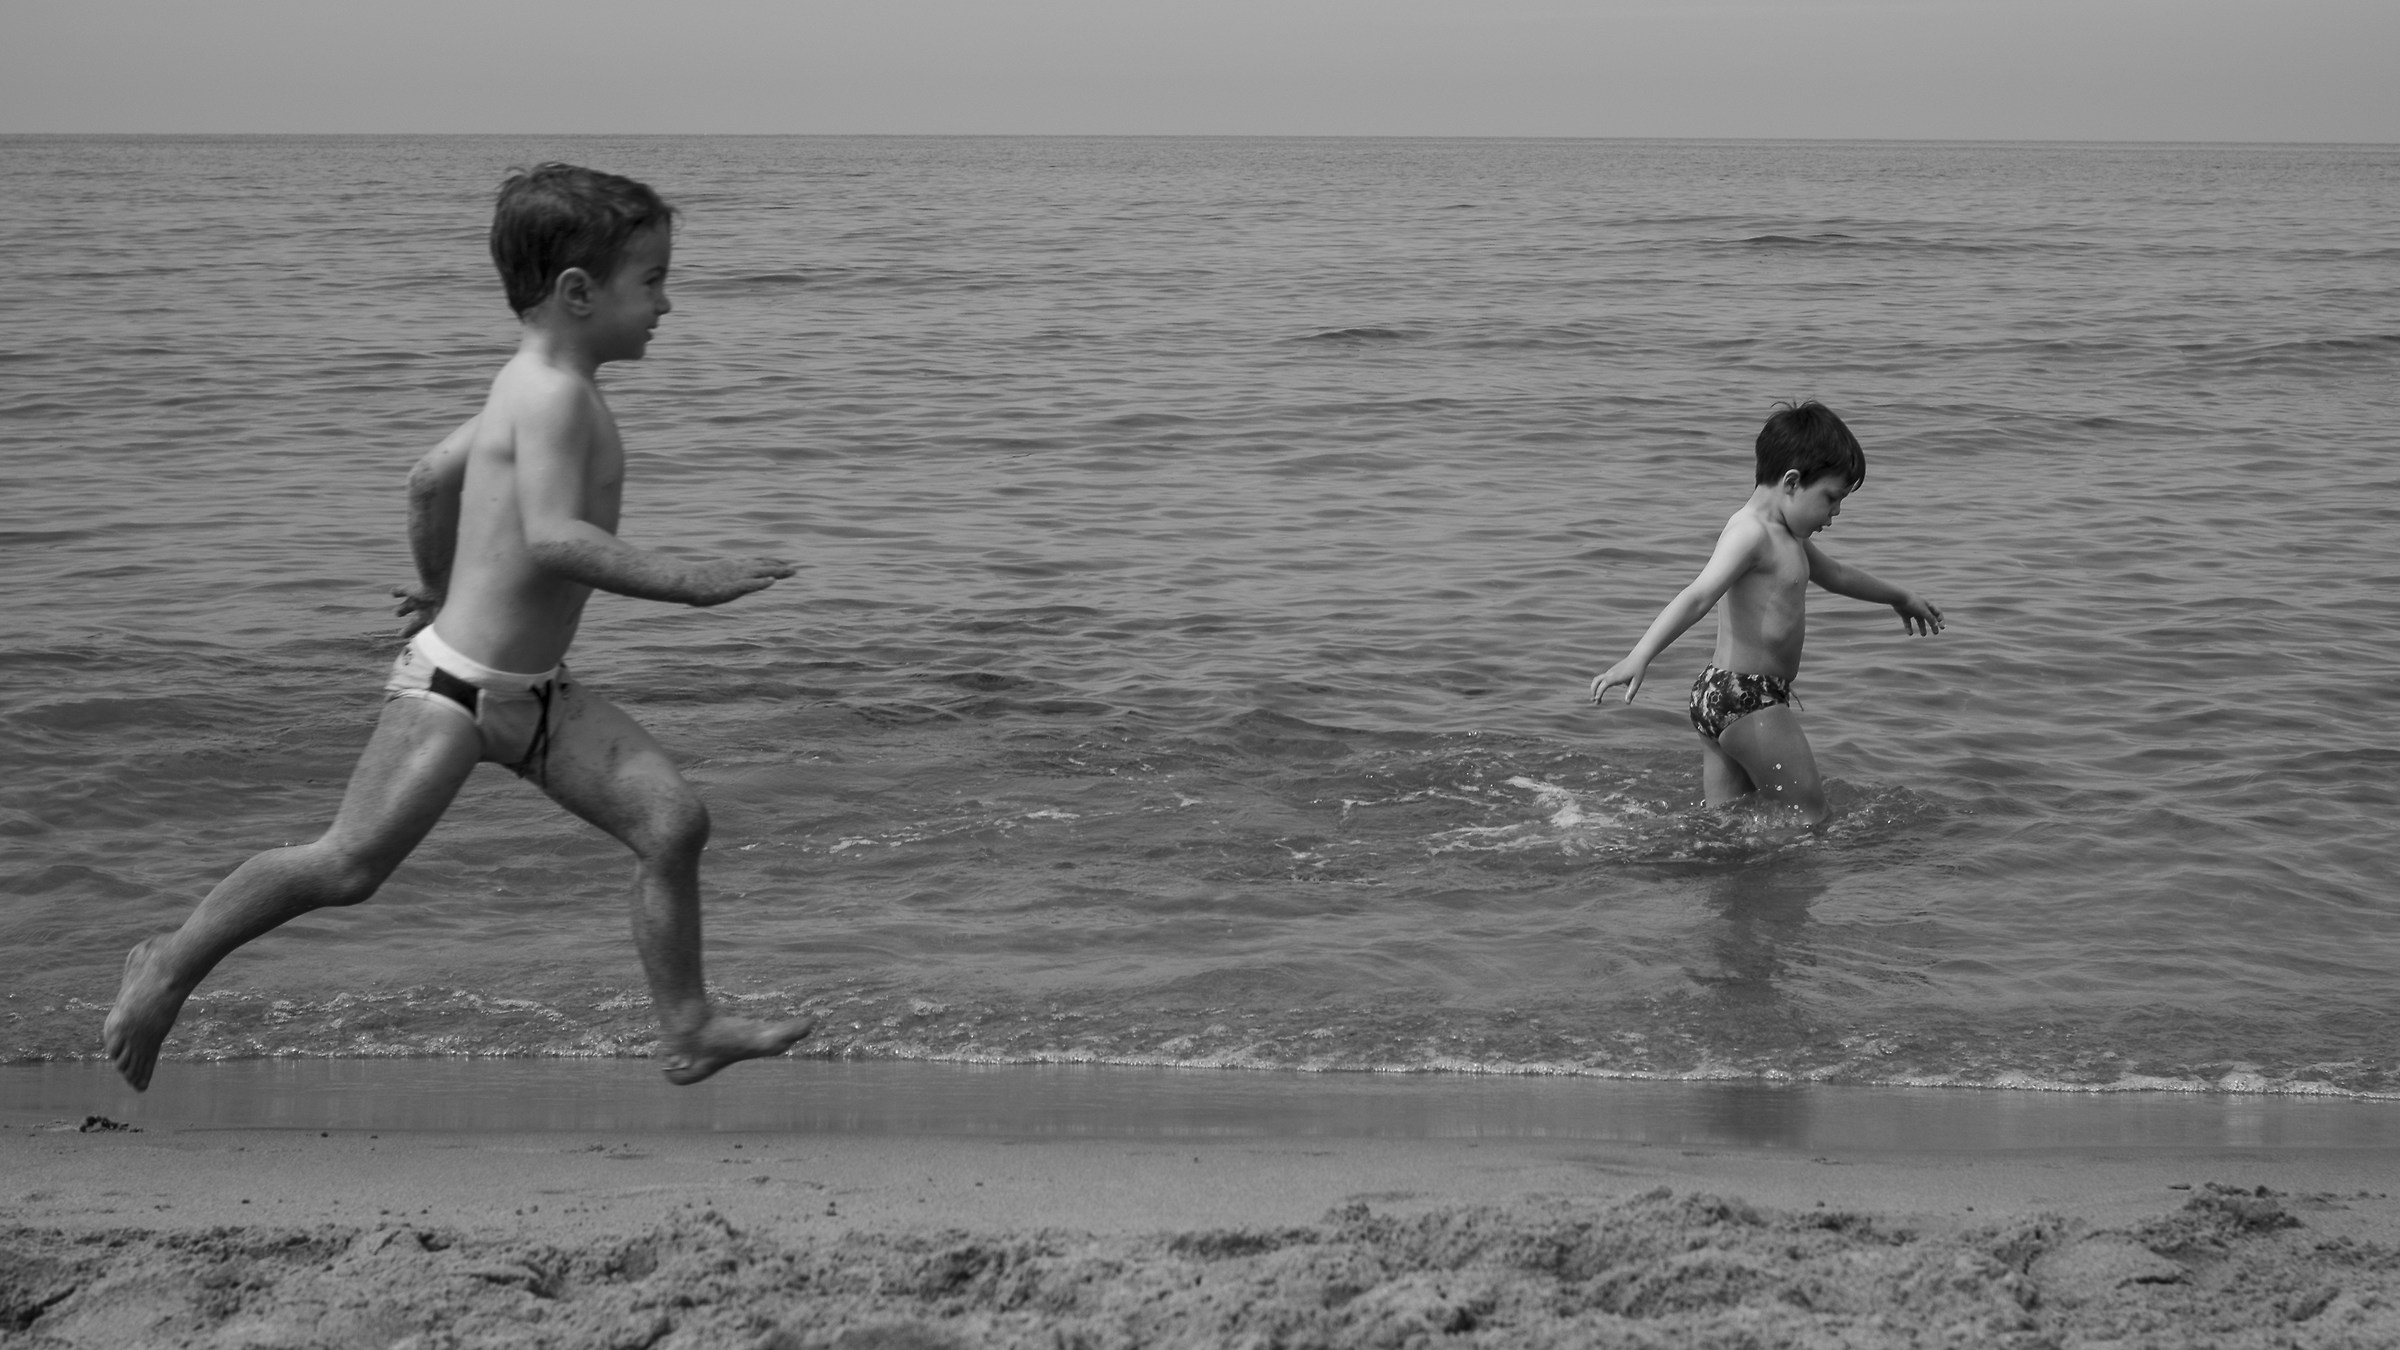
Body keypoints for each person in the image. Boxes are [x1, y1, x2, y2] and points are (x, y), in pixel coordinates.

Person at [104, 164, 815, 1090]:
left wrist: (438, 583)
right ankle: (167, 965)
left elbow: (427, 479)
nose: (667, 303)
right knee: (346, 866)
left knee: (672, 824)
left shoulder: (526, 385)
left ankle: (688, 1028)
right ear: (578, 292)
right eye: (652, 281)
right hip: (450, 691)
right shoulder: (553, 397)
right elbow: (555, 538)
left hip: (536, 694)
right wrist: (693, 584)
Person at [1587, 401, 1944, 824]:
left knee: (1728, 828)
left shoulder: (1786, 533)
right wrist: (1639, 656)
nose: (1836, 512)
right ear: (1792, 482)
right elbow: (1698, 595)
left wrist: (1899, 596)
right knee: (1812, 817)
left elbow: (1836, 575)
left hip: (1718, 698)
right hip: (1749, 699)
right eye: (1831, 497)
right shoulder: (1751, 532)